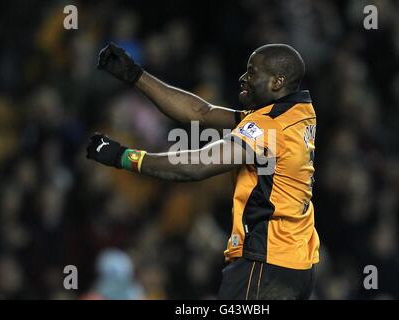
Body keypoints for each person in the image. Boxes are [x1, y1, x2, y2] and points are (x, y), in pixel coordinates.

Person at [86, 42, 319, 300]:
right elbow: (201, 112)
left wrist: (123, 157)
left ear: (277, 82)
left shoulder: (270, 127)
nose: (243, 78)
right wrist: (135, 75)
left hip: (265, 263)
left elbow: (198, 165)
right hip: (295, 264)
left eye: (252, 72)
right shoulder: (298, 113)